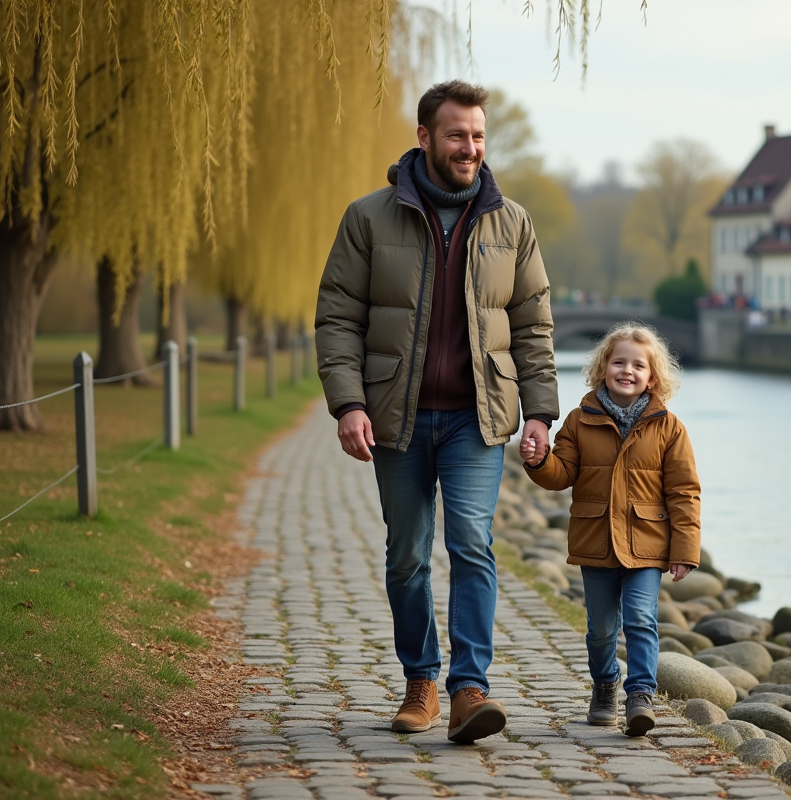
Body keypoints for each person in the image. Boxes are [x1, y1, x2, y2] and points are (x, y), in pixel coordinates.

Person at [314, 80, 558, 744]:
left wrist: (540, 413)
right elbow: (338, 318)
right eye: (457, 135)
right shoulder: (369, 217)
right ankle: (420, 680)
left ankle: (469, 689)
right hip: (398, 417)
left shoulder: (512, 222)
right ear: (424, 138)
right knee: (407, 556)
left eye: (478, 136)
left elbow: (533, 326)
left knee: (472, 545)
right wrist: (348, 404)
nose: (470, 148)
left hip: (476, 421)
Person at [519, 324, 700, 736]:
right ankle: (604, 688)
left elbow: (685, 492)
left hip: (647, 544)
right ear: (603, 368)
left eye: (639, 365)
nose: (628, 371)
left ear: (653, 377)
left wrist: (684, 549)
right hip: (596, 541)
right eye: (619, 362)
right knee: (600, 628)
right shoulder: (580, 421)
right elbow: (560, 474)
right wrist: (538, 460)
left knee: (640, 620)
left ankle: (640, 696)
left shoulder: (669, 428)